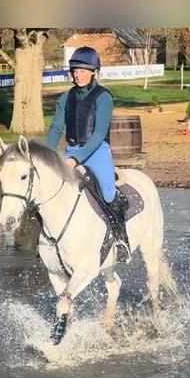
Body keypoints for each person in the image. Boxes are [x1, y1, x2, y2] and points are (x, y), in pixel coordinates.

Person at [46, 46, 131, 263]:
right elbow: (56, 129)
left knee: (109, 192)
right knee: (48, 190)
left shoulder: (103, 97)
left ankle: (122, 240)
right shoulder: (66, 97)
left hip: (97, 150)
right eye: (75, 70)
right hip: (71, 149)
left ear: (94, 71)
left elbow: (99, 133)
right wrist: (46, 155)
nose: (78, 74)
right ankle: (47, 243)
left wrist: (76, 159)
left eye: (83, 70)